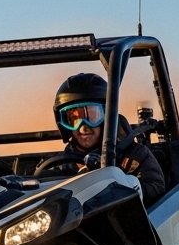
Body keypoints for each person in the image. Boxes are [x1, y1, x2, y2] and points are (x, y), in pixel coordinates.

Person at [52, 73, 166, 204]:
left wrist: (128, 186)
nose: (83, 127)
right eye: (74, 119)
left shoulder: (135, 155)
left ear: (107, 116)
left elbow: (156, 187)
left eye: (92, 116)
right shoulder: (63, 164)